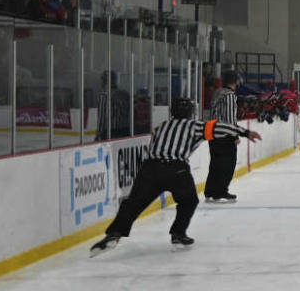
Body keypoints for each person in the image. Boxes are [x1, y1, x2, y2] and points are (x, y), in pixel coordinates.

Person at [89, 97, 261, 256]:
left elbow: (153, 147)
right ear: (190, 112)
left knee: (133, 203)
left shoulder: (161, 126)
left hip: (150, 168)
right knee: (189, 200)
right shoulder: (195, 126)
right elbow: (220, 127)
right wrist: (245, 132)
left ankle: (114, 233)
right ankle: (178, 234)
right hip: (176, 168)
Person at [204, 69, 241, 202]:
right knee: (228, 164)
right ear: (235, 81)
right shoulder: (230, 95)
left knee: (215, 163)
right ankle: (220, 191)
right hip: (224, 135)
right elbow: (230, 118)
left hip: (212, 133)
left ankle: (210, 191)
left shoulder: (217, 92)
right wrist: (234, 135)